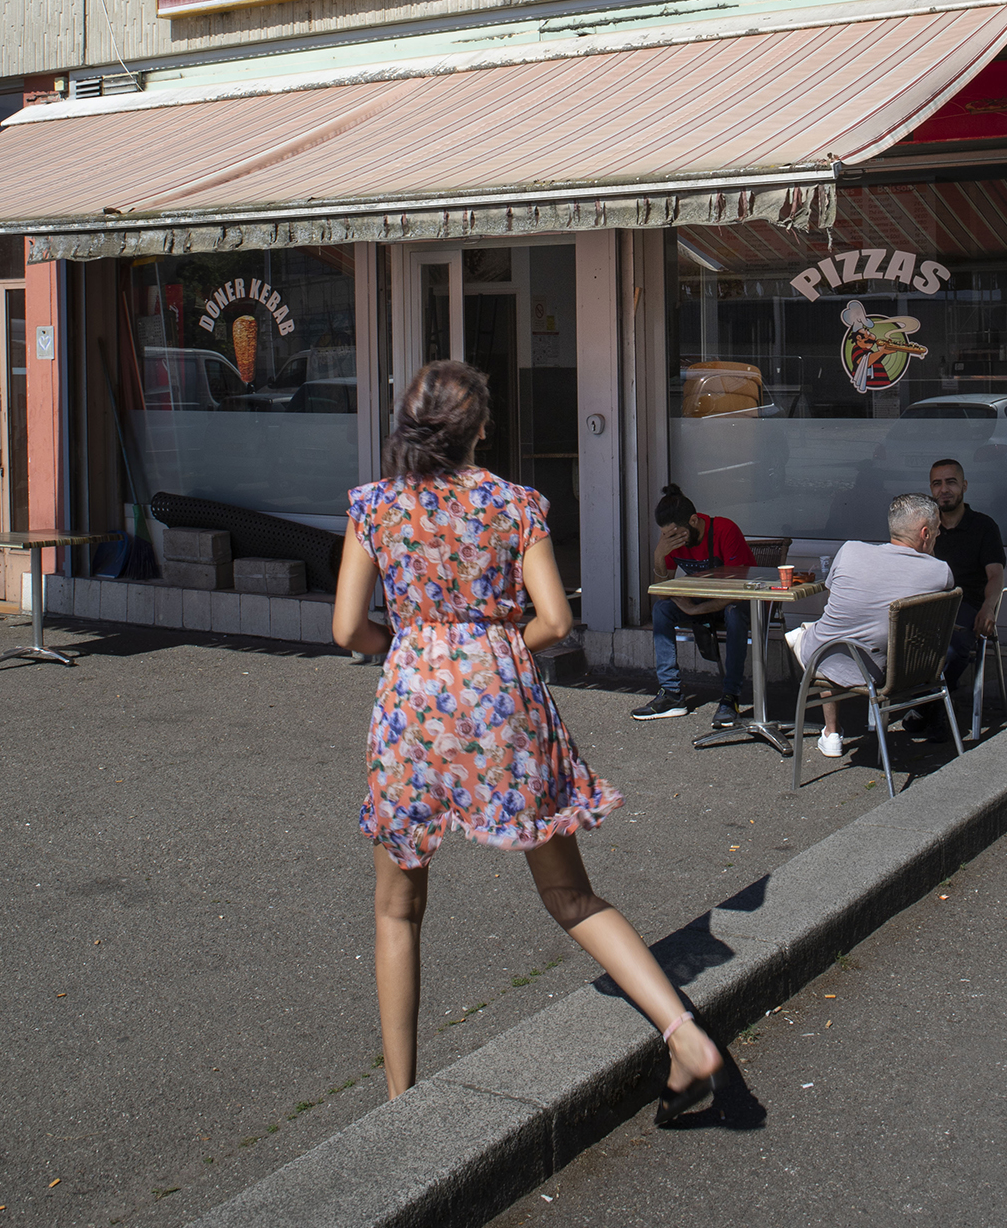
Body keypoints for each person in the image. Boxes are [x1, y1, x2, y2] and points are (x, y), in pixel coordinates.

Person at [332, 361, 722, 1124]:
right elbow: (553, 621)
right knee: (568, 892)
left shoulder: (373, 506)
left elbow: (346, 627)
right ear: (479, 427)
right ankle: (684, 1036)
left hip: (413, 700)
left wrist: (410, 646)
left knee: (397, 909)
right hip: (503, 693)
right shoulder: (515, 504)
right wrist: (491, 649)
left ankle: (399, 1106)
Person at [783, 493, 953, 758]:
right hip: (897, 670)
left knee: (828, 635)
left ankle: (831, 732)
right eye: (937, 531)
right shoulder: (940, 572)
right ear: (925, 533)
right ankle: (809, 635)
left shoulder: (850, 550)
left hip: (832, 657)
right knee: (848, 633)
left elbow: (833, 600)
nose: (938, 536)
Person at [633, 484, 757, 728]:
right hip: (703, 601)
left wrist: (695, 610)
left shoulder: (724, 530)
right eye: (667, 535)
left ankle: (730, 697)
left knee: (733, 614)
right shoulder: (670, 541)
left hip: (738, 600)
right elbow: (662, 595)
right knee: (661, 611)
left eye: (677, 533)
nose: (673, 539)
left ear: (693, 520)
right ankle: (671, 693)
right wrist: (659, 556)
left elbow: (739, 592)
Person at [927, 456, 1007, 693]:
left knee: (952, 651)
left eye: (950, 482)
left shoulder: (984, 527)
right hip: (927, 605)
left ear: (964, 486)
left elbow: (995, 575)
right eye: (937, 484)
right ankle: (929, 706)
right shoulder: (926, 528)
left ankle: (930, 708)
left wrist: (989, 607)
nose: (944, 490)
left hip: (967, 605)